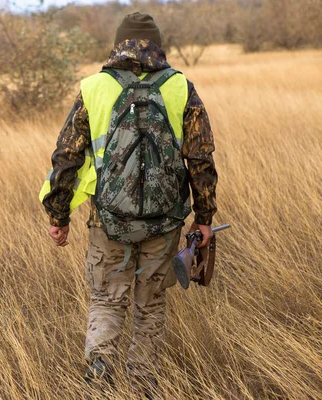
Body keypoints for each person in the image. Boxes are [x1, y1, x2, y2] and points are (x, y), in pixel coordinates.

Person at [39, 12, 218, 398]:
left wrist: (59, 215)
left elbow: (65, 158)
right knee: (150, 306)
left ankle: (100, 373)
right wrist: (204, 218)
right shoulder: (180, 87)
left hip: (108, 221)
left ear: (119, 43)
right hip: (164, 223)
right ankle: (142, 387)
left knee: (106, 301)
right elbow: (201, 160)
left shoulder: (93, 87)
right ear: (157, 44)